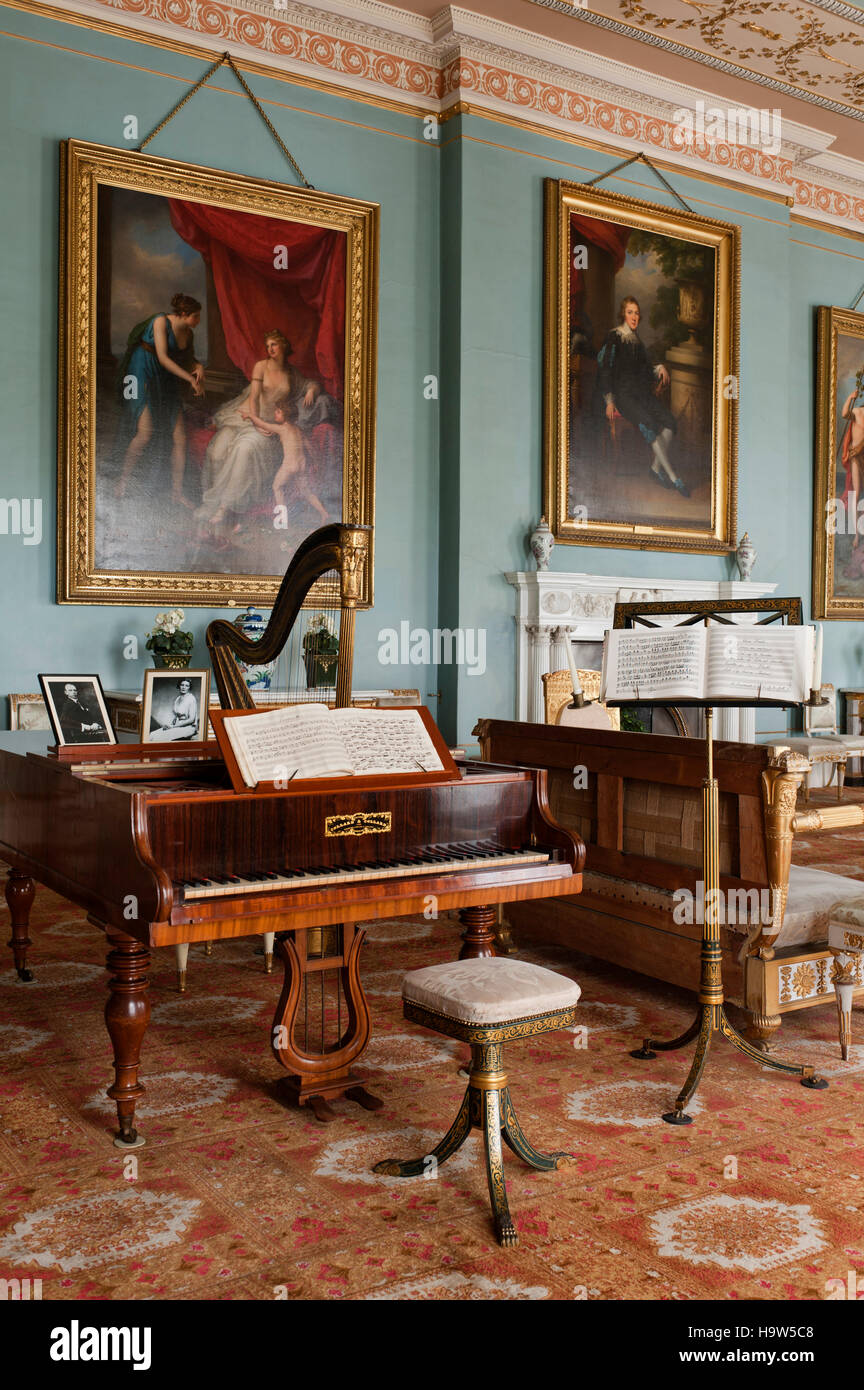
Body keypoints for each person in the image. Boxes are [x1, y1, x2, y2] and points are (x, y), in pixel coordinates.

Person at [196, 330, 337, 532]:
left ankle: (225, 507)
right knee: (217, 450)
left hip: (268, 425)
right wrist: (256, 423)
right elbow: (253, 398)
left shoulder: (290, 373)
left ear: (284, 347)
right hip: (248, 416)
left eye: (274, 345)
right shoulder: (261, 366)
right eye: (268, 345)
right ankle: (213, 502)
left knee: (244, 450)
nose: (270, 349)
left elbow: (310, 384)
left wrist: (311, 390)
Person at [116, 293, 205, 506]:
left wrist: (198, 366)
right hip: (142, 373)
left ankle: (176, 493)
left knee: (180, 437)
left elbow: (187, 360)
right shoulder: (160, 322)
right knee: (145, 432)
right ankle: (122, 481)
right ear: (183, 315)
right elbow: (164, 359)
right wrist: (191, 381)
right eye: (196, 316)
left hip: (164, 379)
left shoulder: (188, 334)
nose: (198, 321)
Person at [596, 296, 689, 497]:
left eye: (637, 313)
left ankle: (655, 470)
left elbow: (645, 369)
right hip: (623, 395)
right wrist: (609, 401)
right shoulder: (615, 336)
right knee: (648, 424)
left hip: (641, 394)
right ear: (623, 314)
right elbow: (605, 369)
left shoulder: (637, 341)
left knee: (670, 422)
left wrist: (659, 368)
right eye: (630, 312)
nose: (634, 316)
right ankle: (674, 477)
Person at [240, 394, 329, 522]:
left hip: (289, 465)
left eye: (278, 412)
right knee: (307, 492)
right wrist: (316, 461)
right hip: (301, 465)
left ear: (286, 415)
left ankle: (283, 518)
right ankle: (324, 513)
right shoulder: (298, 430)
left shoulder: (282, 429)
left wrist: (250, 416)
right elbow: (310, 448)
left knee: (277, 487)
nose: (275, 414)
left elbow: (263, 424)